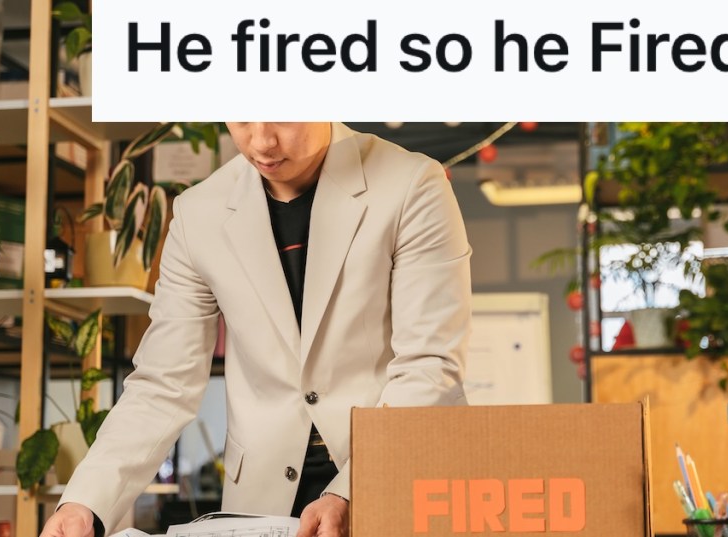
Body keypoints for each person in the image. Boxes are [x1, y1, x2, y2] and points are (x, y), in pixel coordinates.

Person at [40, 123, 472, 537]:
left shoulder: (412, 184)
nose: (262, 141)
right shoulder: (198, 214)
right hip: (263, 501)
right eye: (242, 117)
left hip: (395, 471)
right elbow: (162, 383)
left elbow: (428, 366)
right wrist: (85, 503)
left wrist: (350, 490)